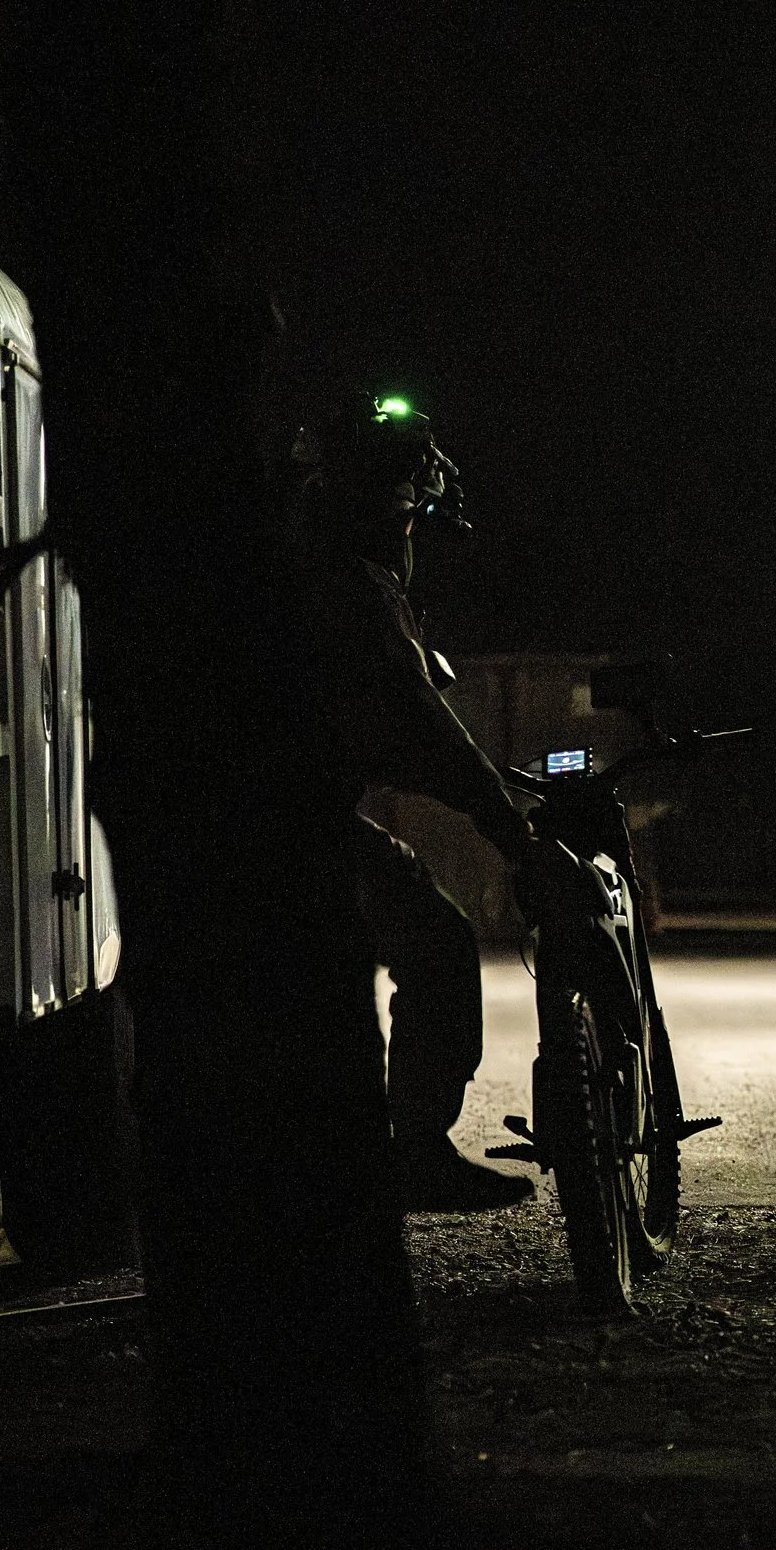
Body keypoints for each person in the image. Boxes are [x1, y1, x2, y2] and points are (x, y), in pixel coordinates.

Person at [291, 394, 536, 1212]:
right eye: (409, 523)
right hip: (284, 821)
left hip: (252, 812)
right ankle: (416, 1153)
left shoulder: (299, 562)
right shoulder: (351, 589)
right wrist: (516, 833)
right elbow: (424, 733)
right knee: (435, 940)